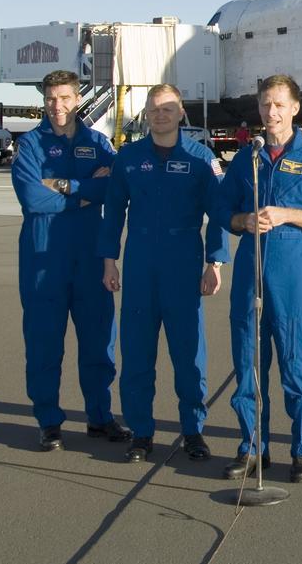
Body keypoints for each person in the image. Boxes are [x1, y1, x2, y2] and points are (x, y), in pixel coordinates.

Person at [217, 75, 302, 484]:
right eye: (264, 105)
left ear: (295, 108)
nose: (270, 113)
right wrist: (244, 220)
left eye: (278, 105)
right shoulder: (246, 159)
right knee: (248, 361)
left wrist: (288, 214)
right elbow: (224, 212)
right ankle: (253, 447)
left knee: (296, 361)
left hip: (292, 268)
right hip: (250, 268)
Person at [98, 84, 230, 463]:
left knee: (189, 354)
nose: (160, 115)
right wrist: (110, 260)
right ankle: (141, 432)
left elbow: (219, 214)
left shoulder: (201, 158)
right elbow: (113, 212)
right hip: (140, 263)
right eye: (154, 109)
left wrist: (214, 262)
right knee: (137, 353)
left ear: (180, 112)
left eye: (168, 109)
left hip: (183, 262)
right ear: (146, 113)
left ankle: (193, 431)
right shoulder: (128, 157)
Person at [11, 69, 128, 451]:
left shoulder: (98, 143)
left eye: (64, 98)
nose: (57, 106)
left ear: (77, 99)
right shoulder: (30, 145)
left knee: (98, 341)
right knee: (44, 342)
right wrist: (85, 193)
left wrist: (65, 188)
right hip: (44, 259)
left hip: (90, 258)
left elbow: (112, 189)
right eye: (50, 99)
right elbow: (33, 199)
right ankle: (48, 420)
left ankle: (99, 417)